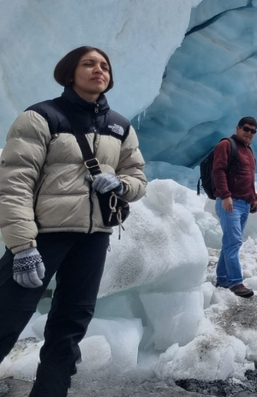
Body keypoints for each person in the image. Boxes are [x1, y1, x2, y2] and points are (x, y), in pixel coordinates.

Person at [0, 46, 147, 397]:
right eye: (89, 64)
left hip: (93, 237)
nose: (99, 70)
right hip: (42, 236)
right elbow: (14, 184)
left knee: (71, 324)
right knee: (6, 315)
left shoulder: (120, 127)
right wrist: (22, 246)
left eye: (105, 65)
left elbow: (138, 177)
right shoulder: (40, 117)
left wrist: (121, 184)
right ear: (69, 73)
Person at [212, 117, 257, 298]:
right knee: (234, 242)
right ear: (238, 128)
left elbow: (249, 176)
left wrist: (253, 198)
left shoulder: (248, 151)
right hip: (230, 202)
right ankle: (236, 282)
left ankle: (223, 278)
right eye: (246, 129)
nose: (249, 133)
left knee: (230, 242)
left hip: (244, 202)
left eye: (253, 131)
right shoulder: (226, 144)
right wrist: (225, 195)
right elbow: (218, 170)